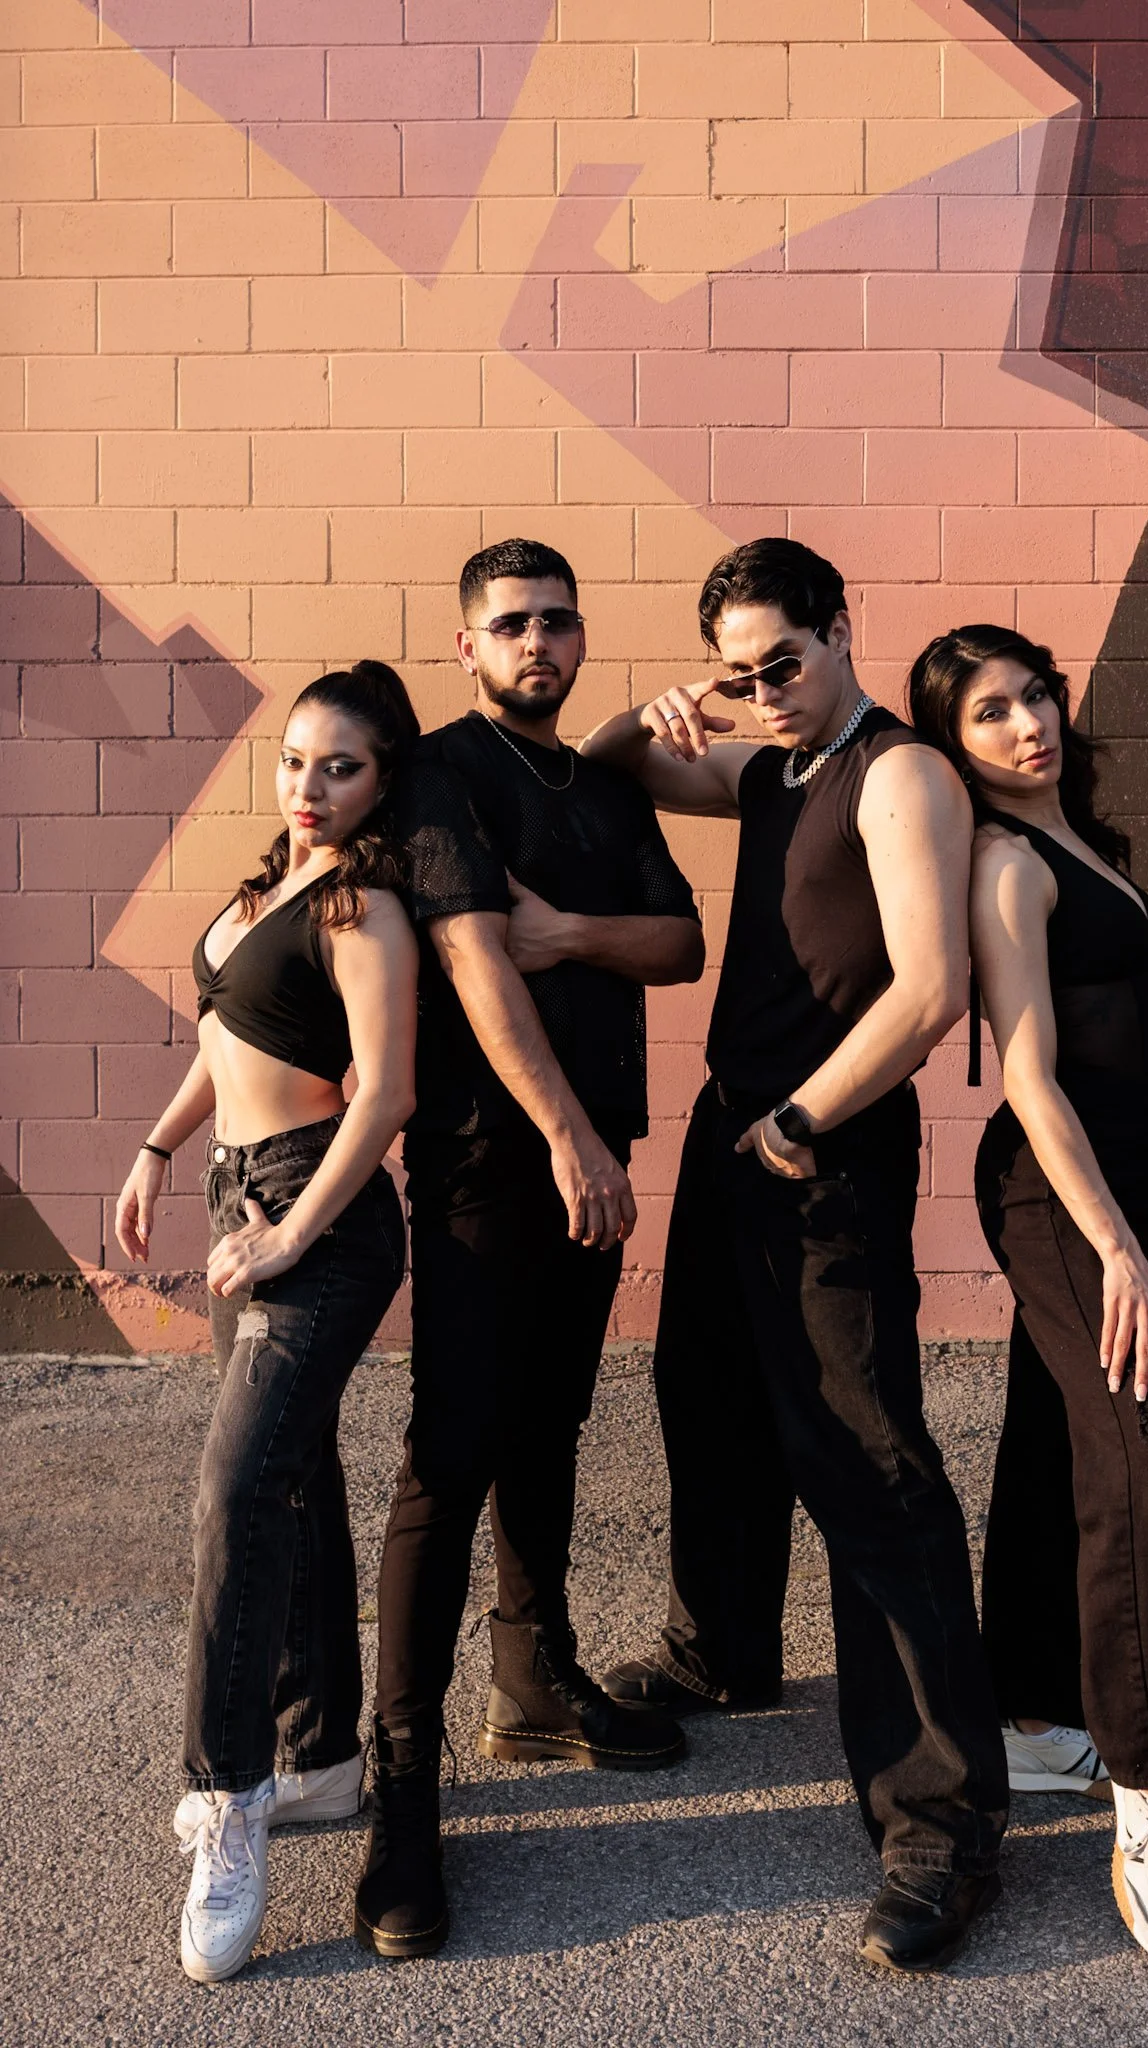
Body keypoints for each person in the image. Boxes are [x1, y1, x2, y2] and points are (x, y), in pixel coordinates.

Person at [581, 538, 1009, 1975]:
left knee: (868, 1461)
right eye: (742, 669)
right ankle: (725, 1648)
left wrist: (800, 1119)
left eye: (786, 660)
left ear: (842, 630)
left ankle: (941, 1818)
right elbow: (609, 764)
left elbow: (933, 986)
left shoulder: (900, 777)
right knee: (703, 1396)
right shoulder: (770, 766)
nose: (767, 691)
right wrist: (670, 703)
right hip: (737, 1133)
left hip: (818, 1149)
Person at [355, 538, 705, 1961]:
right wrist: (564, 1131)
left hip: (594, 1149)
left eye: (559, 623)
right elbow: (473, 959)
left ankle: (535, 1679)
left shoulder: (605, 783)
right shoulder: (445, 774)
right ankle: (402, 1786)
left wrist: (573, 928)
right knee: (452, 1445)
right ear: (467, 645)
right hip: (495, 1160)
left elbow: (680, 943)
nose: (539, 644)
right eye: (511, 625)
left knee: (552, 1419)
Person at [907, 624, 1148, 1970]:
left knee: (1063, 1433)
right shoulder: (1004, 864)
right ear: (955, 745)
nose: (1028, 723)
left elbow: (1124, 1020)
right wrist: (1118, 1251)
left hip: (1126, 1174)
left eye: (1035, 695)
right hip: (1062, 1202)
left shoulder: (1079, 834)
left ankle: (1035, 1711)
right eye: (989, 714)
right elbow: (1033, 1079)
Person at [114, 663, 421, 1985]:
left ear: (383, 782)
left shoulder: (365, 909)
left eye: (339, 767)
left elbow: (387, 1093)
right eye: (297, 760)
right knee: (294, 1481)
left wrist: (292, 1235)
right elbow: (223, 1038)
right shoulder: (264, 896)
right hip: (244, 1194)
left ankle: (230, 1795)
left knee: (235, 1492)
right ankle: (326, 1755)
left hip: (321, 1220)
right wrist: (155, 1147)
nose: (308, 786)